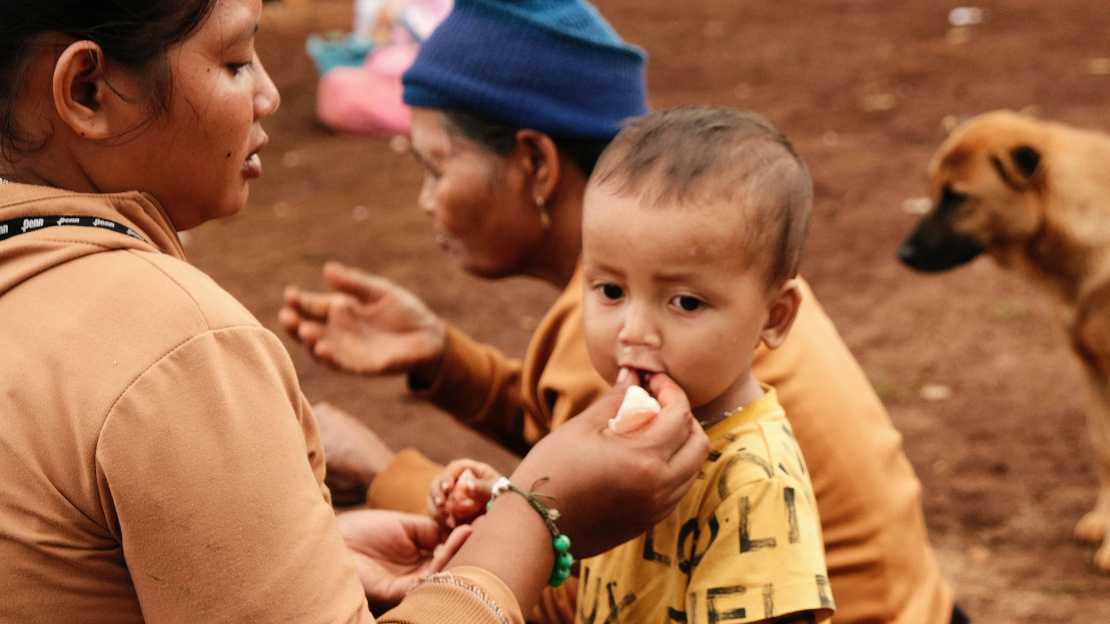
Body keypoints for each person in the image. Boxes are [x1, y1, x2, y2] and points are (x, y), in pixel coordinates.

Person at [0, 1, 709, 622]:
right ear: (87, 90)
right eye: (237, 60)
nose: (272, 93)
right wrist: (532, 518)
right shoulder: (175, 349)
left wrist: (315, 544)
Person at [280, 0, 964, 623]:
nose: (426, 199)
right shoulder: (706, 270)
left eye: (436, 167)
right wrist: (444, 359)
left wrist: (383, 475)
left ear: (535, 163)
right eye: (610, 293)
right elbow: (574, 441)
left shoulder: (706, 417)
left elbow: (554, 574)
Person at [427, 107, 837, 624]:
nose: (633, 331)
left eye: (685, 302)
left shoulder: (754, 481)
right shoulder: (622, 436)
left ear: (774, 317)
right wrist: (511, 501)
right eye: (611, 290)